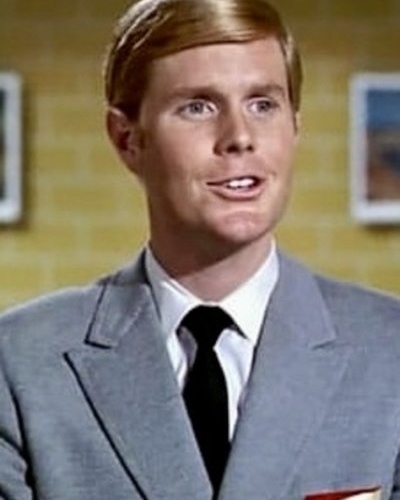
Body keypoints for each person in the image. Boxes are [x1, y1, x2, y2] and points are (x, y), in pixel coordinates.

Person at [0, 0, 399, 499]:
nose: (239, 137)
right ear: (127, 139)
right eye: (198, 107)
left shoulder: (391, 353)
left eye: (262, 104)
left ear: (295, 127)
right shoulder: (19, 363)